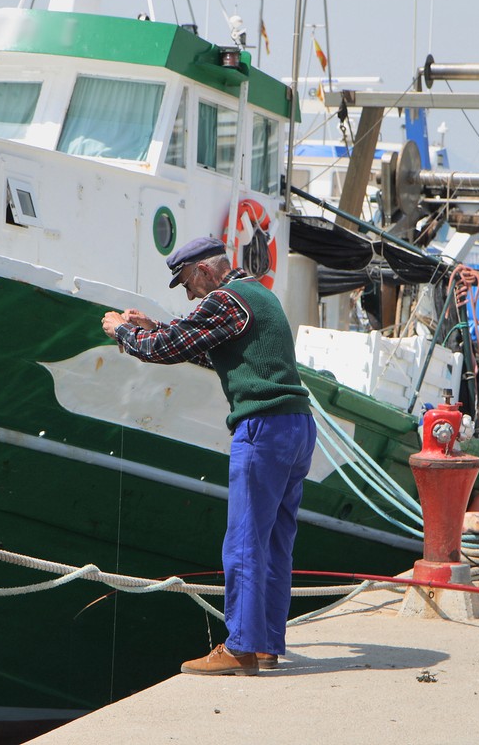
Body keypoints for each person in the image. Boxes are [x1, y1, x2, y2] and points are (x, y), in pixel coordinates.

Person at [101, 236, 316, 676]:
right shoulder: (257, 294)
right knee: (276, 542)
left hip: (263, 429)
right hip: (297, 427)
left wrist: (123, 331)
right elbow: (200, 343)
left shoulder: (224, 298)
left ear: (202, 271)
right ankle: (267, 644)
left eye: (185, 283)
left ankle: (240, 647)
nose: (188, 293)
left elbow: (167, 349)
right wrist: (153, 325)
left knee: (243, 542)